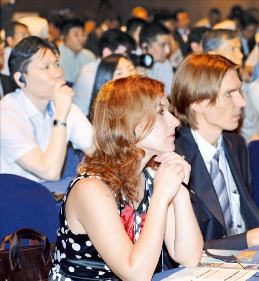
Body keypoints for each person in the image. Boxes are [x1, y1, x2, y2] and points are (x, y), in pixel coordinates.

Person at [49, 75, 203, 279]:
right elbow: (135, 274)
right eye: (160, 112)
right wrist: (161, 196)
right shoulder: (91, 189)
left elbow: (189, 257)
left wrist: (180, 189)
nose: (174, 121)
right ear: (128, 122)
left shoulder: (151, 176)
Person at [171, 53, 259, 250]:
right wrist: (254, 237)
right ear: (197, 102)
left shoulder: (237, 145)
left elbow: (246, 219)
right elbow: (185, 250)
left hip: (248, 257)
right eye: (229, 94)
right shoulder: (175, 160)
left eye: (239, 92)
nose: (241, 102)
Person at [0, 36, 92, 182]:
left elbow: (100, 153)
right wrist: (60, 115)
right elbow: (50, 172)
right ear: (20, 79)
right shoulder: (6, 115)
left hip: (50, 194)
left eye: (56, 64)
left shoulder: (63, 106)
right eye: (45, 67)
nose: (57, 73)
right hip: (12, 198)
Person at [72, 29, 135, 116]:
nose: (126, 58)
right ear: (107, 53)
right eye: (123, 54)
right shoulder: (89, 74)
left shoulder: (125, 69)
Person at [87, 54, 137, 120]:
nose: (129, 76)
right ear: (106, 80)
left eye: (131, 69)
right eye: (119, 73)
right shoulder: (106, 114)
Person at [139, 22, 175, 97]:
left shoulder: (165, 63)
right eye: (162, 45)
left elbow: (171, 94)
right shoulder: (130, 65)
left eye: (169, 45)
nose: (168, 51)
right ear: (145, 47)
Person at [58, 19, 96, 83]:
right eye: (76, 35)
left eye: (83, 35)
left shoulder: (89, 55)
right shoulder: (56, 56)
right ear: (63, 37)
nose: (81, 38)